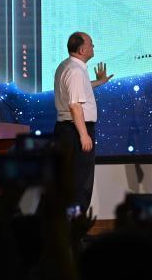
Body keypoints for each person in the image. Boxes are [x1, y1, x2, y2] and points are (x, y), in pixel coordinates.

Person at [53, 32, 114, 211]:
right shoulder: (76, 71)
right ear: (82, 50)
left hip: (66, 129)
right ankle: (76, 225)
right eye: (91, 44)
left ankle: (68, 225)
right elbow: (74, 105)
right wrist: (84, 135)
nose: (93, 47)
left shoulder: (67, 66)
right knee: (80, 182)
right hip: (76, 130)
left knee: (70, 180)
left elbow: (79, 87)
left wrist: (99, 82)